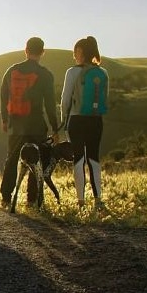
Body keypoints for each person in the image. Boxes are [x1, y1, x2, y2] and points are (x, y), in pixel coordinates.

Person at [0, 37, 59, 208]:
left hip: (16, 124)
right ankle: (31, 200)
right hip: (36, 125)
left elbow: (4, 96)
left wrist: (5, 120)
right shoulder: (45, 75)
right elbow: (49, 104)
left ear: (26, 50)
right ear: (42, 52)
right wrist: (55, 129)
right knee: (36, 161)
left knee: (11, 159)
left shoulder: (11, 71)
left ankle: (5, 197)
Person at [59, 36, 108, 210]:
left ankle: (80, 201)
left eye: (75, 52)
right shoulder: (102, 73)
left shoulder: (72, 72)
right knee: (94, 158)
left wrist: (64, 120)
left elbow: (65, 101)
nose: (74, 56)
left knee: (78, 159)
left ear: (80, 52)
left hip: (77, 120)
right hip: (96, 120)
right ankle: (98, 199)